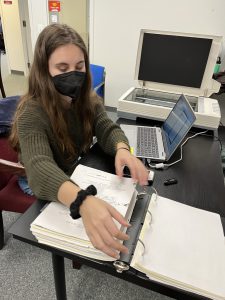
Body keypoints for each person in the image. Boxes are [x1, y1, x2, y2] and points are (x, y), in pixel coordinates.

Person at [10, 23, 149, 259]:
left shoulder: (86, 98)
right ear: (44, 70)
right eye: (62, 67)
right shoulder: (31, 112)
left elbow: (106, 125)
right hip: (41, 181)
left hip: (75, 169)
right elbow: (39, 169)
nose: (73, 74)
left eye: (79, 66)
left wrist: (122, 149)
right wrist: (82, 200)